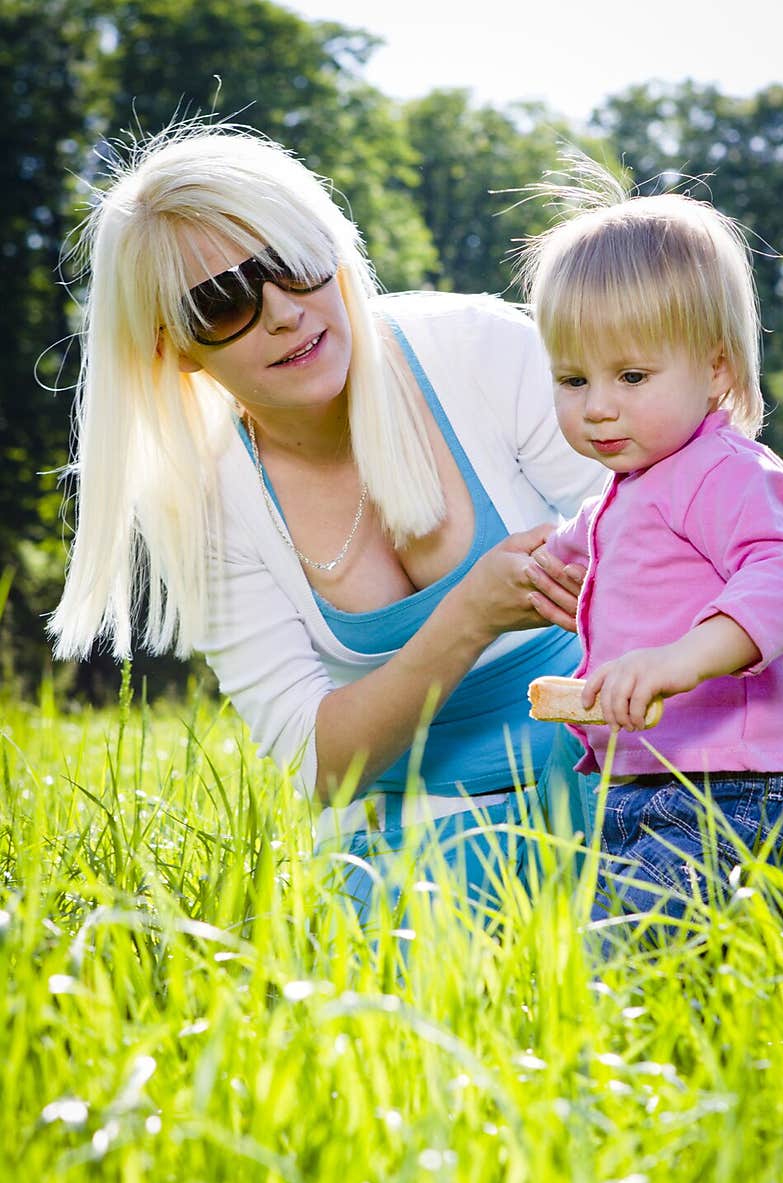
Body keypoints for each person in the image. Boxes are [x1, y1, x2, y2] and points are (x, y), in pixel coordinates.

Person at [48, 120, 607, 924]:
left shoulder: (476, 350)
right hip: (413, 828)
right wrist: (471, 614)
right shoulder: (204, 507)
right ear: (174, 350)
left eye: (293, 264)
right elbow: (321, 763)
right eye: (220, 302)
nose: (282, 312)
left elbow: (683, 541)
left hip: (619, 769)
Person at [520, 158, 783, 932]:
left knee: (632, 959)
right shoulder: (623, 494)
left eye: (631, 375)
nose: (598, 407)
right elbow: (578, 555)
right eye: (573, 380)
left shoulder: (722, 472)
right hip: (649, 777)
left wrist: (679, 659)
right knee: (720, 974)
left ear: (715, 369)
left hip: (736, 777)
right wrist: (533, 569)